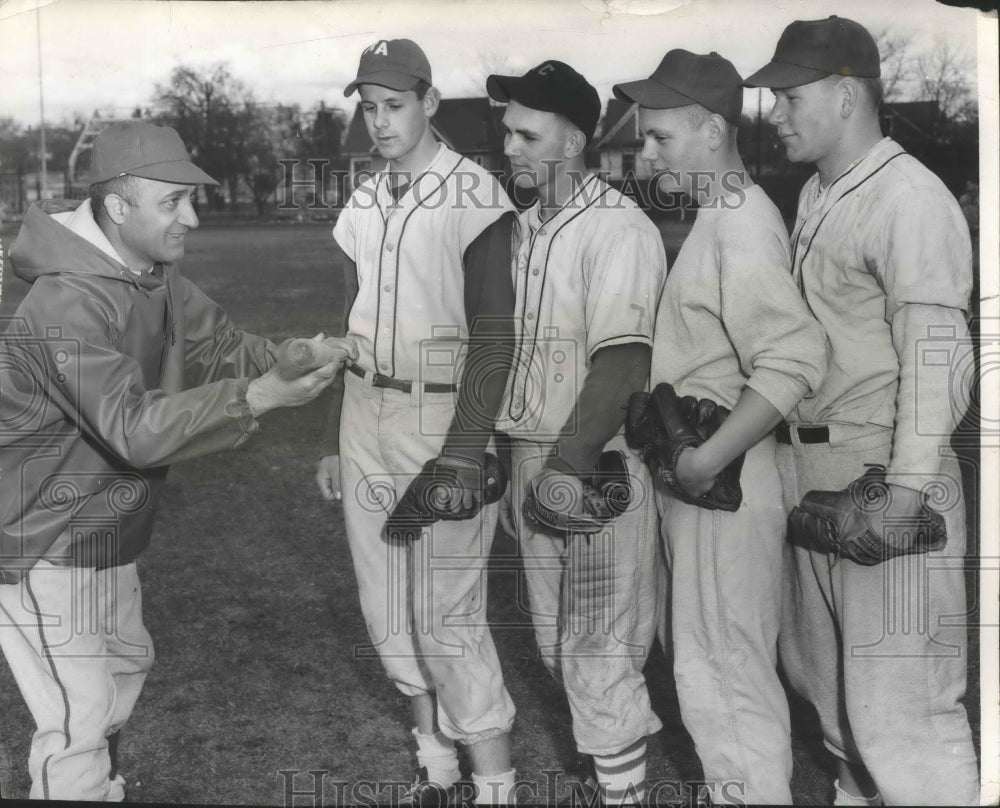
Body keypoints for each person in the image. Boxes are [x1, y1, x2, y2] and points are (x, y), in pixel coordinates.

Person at [0, 120, 344, 801]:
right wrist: (260, 396)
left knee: (126, 665)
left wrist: (287, 356)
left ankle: (91, 782)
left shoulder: (153, 272)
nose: (192, 217)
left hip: (102, 530)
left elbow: (217, 348)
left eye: (193, 199)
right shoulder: (60, 303)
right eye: (173, 202)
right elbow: (132, 427)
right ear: (119, 207)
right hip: (37, 538)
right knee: (78, 719)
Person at [744, 16, 980, 806]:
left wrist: (906, 493)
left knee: (906, 720)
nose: (775, 112)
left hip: (887, 467)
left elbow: (938, 354)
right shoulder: (818, 191)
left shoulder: (910, 197)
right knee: (835, 708)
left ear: (846, 95)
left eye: (789, 95)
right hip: (815, 462)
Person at [611, 50, 828, 805]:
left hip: (725, 481)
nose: (646, 155)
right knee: (708, 667)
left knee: (726, 674)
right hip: (705, 478)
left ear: (711, 130)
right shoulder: (720, 215)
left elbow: (795, 356)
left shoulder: (740, 220)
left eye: (661, 139)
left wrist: (706, 461)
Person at [313, 38, 519, 805]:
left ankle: (496, 787)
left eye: (394, 104)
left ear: (430, 102)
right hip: (366, 408)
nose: (380, 121)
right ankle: (434, 768)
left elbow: (496, 337)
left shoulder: (475, 196)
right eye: (368, 107)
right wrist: (335, 435)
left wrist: (466, 452)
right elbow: (350, 324)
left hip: (442, 415)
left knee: (448, 612)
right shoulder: (364, 198)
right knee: (386, 602)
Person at [485, 60, 667, 806]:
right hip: (533, 458)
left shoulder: (619, 227)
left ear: (575, 140)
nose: (511, 146)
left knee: (599, 654)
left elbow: (623, 361)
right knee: (560, 649)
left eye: (528, 133)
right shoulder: (525, 225)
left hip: (595, 467)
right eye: (507, 131)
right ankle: (615, 782)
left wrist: (566, 463)